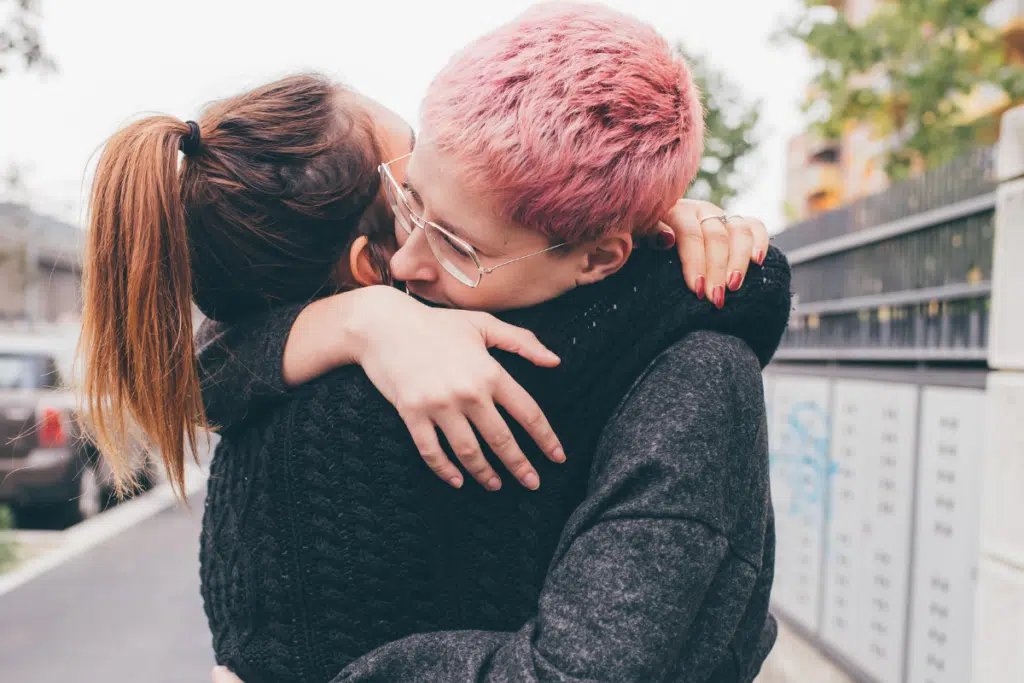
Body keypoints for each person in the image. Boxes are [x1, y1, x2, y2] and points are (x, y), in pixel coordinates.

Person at [78, 4, 786, 683]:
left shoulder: (262, 407)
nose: (413, 256)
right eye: (407, 197)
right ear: (364, 263)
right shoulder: (652, 366)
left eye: (450, 235)